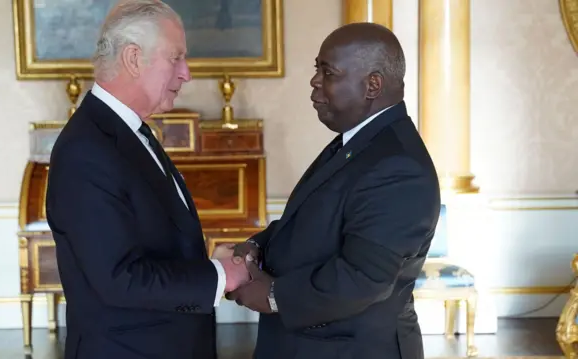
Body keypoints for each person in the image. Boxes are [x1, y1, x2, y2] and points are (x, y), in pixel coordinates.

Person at [45, 1, 249, 358]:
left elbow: (151, 240)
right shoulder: (87, 149)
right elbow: (119, 279)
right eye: (176, 58)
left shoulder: (124, 131)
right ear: (133, 58)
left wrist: (203, 265)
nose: (187, 74)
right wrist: (218, 277)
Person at [228, 22, 441, 359]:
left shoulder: (398, 166)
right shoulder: (360, 143)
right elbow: (311, 224)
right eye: (317, 68)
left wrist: (274, 295)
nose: (314, 81)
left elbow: (363, 277)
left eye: (328, 71)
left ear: (372, 84)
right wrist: (256, 247)